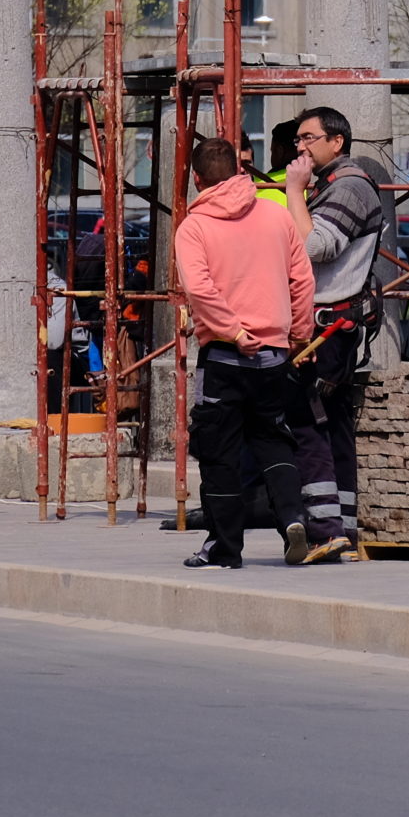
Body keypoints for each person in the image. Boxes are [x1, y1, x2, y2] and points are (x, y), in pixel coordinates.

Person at [178, 134, 316, 570]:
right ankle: (293, 519)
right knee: (273, 440)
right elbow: (302, 279)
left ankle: (225, 547)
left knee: (219, 452)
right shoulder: (276, 217)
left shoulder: (194, 227)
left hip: (224, 355)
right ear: (241, 172)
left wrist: (234, 332)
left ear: (198, 180)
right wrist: (299, 333)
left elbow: (199, 289)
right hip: (274, 353)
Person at [282, 106, 389, 561]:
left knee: (308, 423)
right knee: (335, 424)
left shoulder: (348, 187)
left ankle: (326, 529)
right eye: (298, 140)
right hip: (334, 326)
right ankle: (343, 529)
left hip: (327, 329)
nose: (300, 147)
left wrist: (291, 192)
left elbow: (317, 247)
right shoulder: (333, 186)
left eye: (308, 138)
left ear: (336, 142)